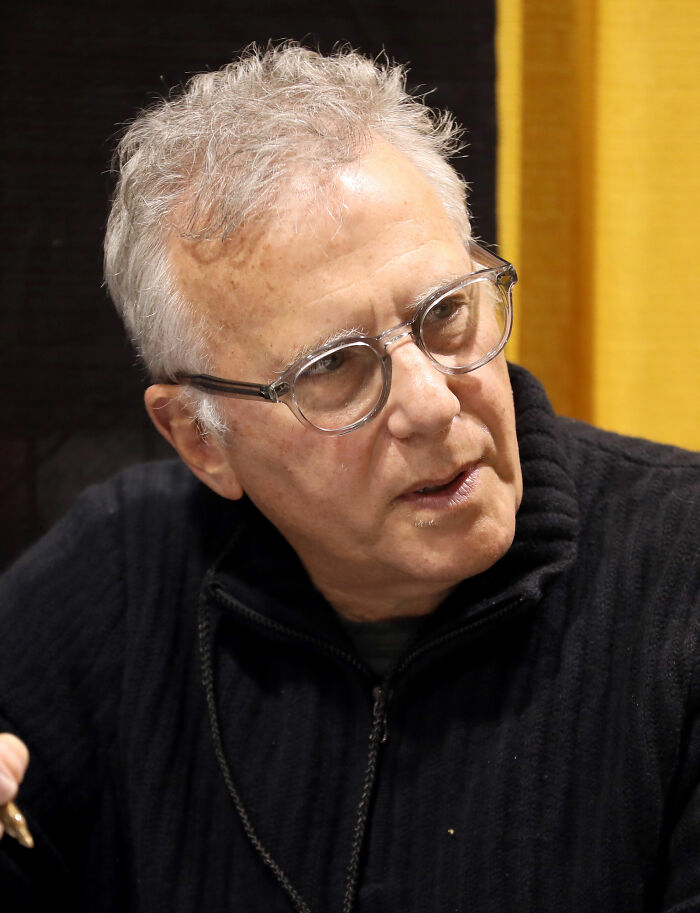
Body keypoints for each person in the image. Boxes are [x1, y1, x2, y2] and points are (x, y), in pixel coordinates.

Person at [0, 43, 698, 913]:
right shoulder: (118, 578)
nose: (432, 404)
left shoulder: (682, 576)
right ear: (200, 438)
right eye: (333, 366)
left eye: (447, 312)